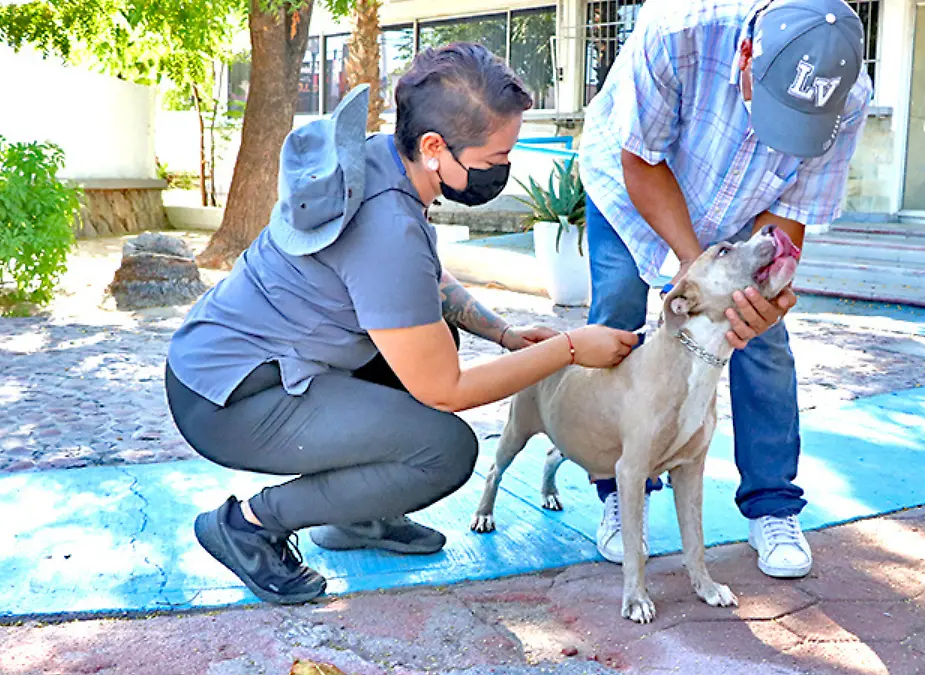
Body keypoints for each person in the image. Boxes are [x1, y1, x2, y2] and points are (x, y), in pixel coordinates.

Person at [164, 43, 639, 606]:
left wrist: (506, 335)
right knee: (443, 450)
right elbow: (446, 390)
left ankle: (355, 518)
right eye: (494, 159)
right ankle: (248, 525)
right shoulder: (388, 224)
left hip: (243, 367)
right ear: (435, 147)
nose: (502, 171)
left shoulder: (383, 161)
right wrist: (568, 348)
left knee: (440, 338)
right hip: (229, 401)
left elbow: (426, 285)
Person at [578, 0, 872, 578]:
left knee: (762, 341)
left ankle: (772, 507)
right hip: (632, 184)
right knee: (616, 319)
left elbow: (791, 215)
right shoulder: (675, 31)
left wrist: (762, 294)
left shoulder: (848, 98)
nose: (777, 134)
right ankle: (620, 486)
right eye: (771, 109)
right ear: (745, 55)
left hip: (741, 217)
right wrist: (697, 272)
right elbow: (640, 160)